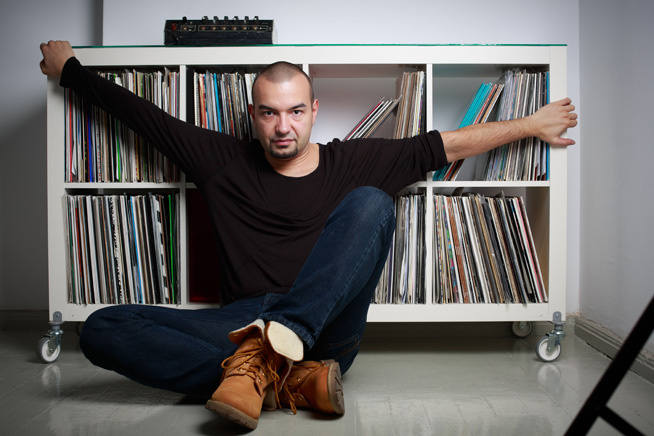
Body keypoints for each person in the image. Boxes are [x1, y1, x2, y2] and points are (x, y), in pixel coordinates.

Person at [39, 40, 577, 430]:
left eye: (296, 111)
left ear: (313, 111)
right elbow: (143, 116)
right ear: (253, 115)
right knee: (102, 328)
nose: (283, 127)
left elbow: (448, 144)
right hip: (241, 328)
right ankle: (288, 379)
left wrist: (532, 124)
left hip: (327, 333)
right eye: (270, 113)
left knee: (371, 203)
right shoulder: (222, 159)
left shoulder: (353, 161)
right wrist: (71, 72)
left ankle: (275, 351)